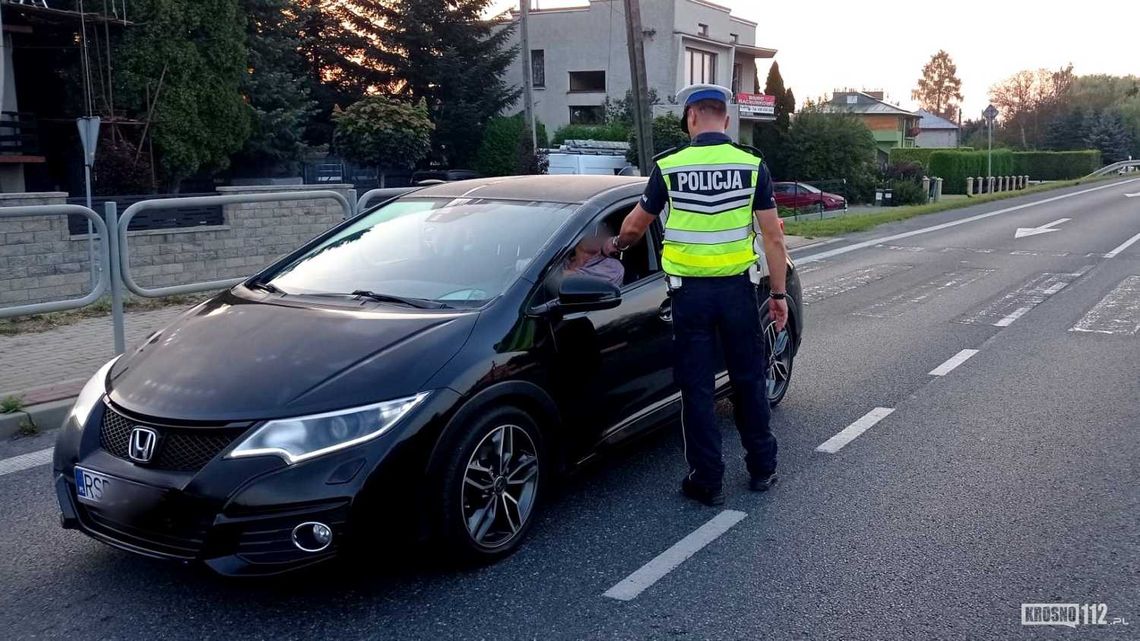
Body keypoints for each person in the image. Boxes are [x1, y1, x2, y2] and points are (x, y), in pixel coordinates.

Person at [604, 83, 788, 506]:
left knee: (698, 389)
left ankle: (707, 480)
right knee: (748, 381)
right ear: (725, 118)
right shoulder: (750, 165)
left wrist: (613, 248)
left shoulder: (669, 167)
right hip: (739, 293)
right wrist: (777, 295)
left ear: (690, 118)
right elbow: (774, 238)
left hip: (690, 299)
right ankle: (762, 468)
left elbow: (634, 228)